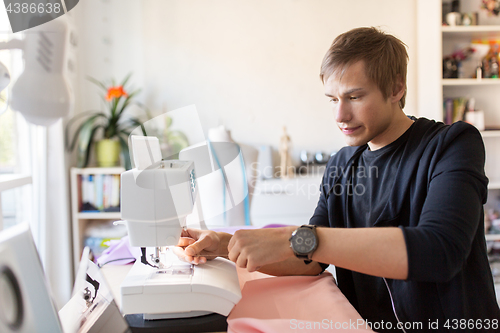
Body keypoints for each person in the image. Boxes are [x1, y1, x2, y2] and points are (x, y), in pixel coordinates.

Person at [176, 27, 500, 331]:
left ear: (396, 88)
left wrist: (300, 239)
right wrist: (224, 244)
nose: (340, 116)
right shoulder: (342, 164)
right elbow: (311, 261)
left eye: (355, 97)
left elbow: (440, 251)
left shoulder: (452, 144)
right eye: (333, 99)